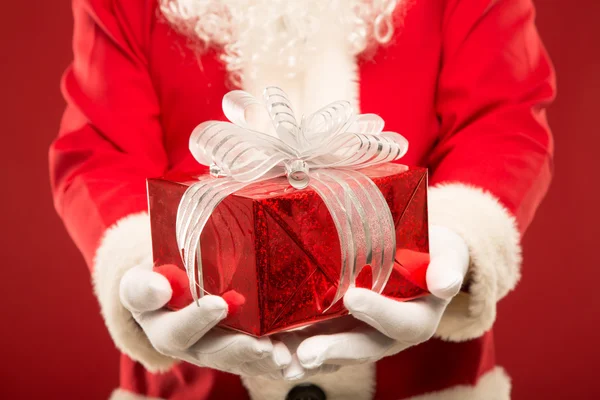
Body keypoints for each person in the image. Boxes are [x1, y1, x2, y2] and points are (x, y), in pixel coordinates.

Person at [49, 0, 555, 399]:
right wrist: (141, 264)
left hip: (425, 384)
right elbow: (102, 150)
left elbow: (503, 122)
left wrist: (455, 240)